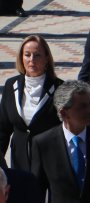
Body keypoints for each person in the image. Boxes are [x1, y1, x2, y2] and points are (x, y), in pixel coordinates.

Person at [0, 36, 62, 172]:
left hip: (49, 162)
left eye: (37, 55)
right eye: (27, 55)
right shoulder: (11, 85)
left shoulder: (59, 87)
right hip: (20, 160)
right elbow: (3, 128)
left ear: (47, 58)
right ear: (21, 58)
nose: (31, 60)